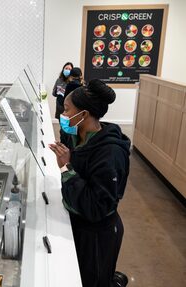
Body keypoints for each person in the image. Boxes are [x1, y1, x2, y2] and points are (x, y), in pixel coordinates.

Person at [49, 79, 130, 287]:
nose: (62, 116)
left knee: (93, 280)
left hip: (98, 233)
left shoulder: (110, 153)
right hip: (80, 223)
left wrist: (66, 168)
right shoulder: (77, 134)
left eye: (66, 111)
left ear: (83, 114)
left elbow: (96, 206)